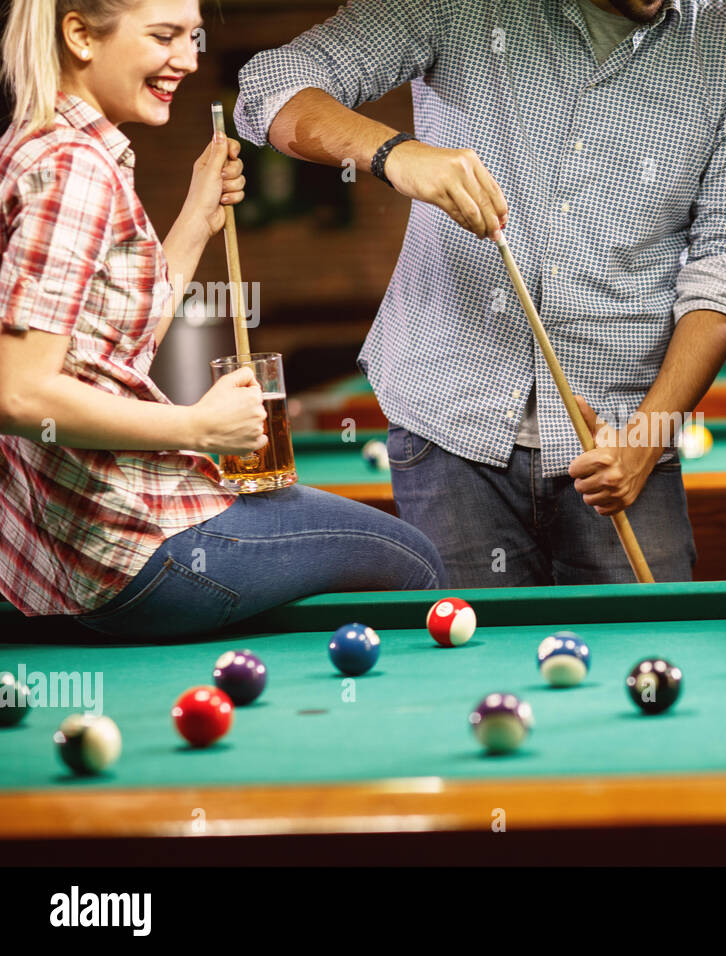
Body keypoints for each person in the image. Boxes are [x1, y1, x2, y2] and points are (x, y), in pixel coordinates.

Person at [233, 0, 726, 588]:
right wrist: (396, 155)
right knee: (466, 669)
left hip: (622, 440)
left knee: (643, 664)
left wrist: (646, 441)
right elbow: (266, 89)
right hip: (447, 428)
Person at [0, 0, 447, 639]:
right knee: (412, 561)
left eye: (192, 36)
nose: (187, 58)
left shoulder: (34, 146)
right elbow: (19, 393)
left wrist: (196, 218)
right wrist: (199, 425)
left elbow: (108, 352)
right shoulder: (76, 168)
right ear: (79, 36)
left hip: (65, 561)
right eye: (164, 36)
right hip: (135, 548)